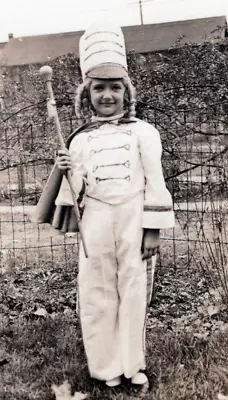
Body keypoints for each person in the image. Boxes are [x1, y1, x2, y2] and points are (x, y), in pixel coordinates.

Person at [51, 24, 175, 387]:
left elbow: (155, 182)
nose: (107, 95)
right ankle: (105, 368)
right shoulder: (79, 139)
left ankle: (132, 365)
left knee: (133, 288)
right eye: (99, 88)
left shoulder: (144, 132)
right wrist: (67, 171)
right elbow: (77, 193)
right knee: (96, 290)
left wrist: (151, 229)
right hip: (97, 220)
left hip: (133, 217)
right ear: (85, 94)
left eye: (115, 88)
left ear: (127, 92)